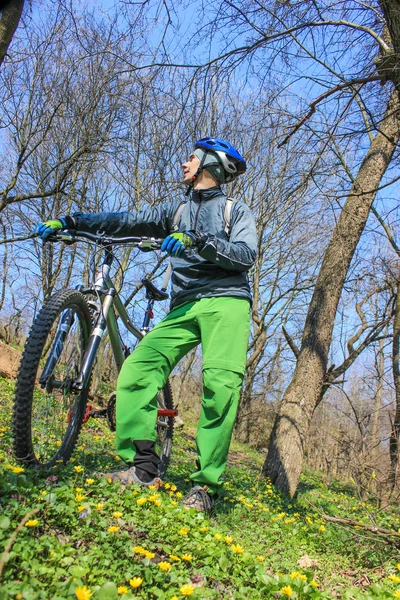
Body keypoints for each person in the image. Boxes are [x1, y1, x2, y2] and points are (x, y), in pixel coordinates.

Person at [34, 137, 257, 513]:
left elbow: (245, 254)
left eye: (190, 158)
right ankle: (143, 470)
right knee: (138, 369)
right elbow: (126, 221)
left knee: (220, 386)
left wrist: (198, 240)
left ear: (209, 164)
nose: (184, 164)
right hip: (184, 305)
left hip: (227, 301)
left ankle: (205, 488)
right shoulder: (176, 210)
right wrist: (74, 221)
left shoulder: (236, 210)